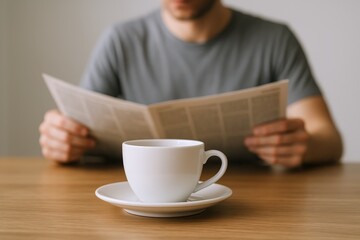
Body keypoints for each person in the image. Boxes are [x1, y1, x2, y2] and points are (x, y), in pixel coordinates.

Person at [39, 0, 343, 168]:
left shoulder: (275, 39)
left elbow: (328, 138)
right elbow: (75, 129)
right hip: (143, 204)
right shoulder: (119, 40)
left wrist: (304, 146)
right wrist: (61, 139)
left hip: (254, 202)